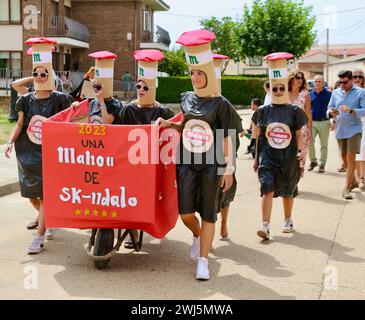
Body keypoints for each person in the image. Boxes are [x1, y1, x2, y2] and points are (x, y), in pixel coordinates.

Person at [157, 30, 239, 280]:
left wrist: (229, 169)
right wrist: (169, 125)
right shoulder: (186, 99)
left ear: (209, 75)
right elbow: (187, 125)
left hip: (212, 164)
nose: (195, 77)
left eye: (199, 73)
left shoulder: (221, 104)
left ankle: (203, 261)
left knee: (209, 213)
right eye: (192, 73)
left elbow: (228, 137)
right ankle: (197, 235)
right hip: (187, 163)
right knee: (186, 214)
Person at [4, 66, 74, 253]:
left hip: (50, 153)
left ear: (51, 76)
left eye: (44, 74)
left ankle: (39, 237)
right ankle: (47, 218)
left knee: (45, 194)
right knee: (30, 193)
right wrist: (10, 141)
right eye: (37, 74)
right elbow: (19, 124)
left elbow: (71, 121)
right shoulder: (25, 99)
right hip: (27, 150)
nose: (39, 77)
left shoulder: (60, 98)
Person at [120, 50, 174, 249]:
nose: (140, 89)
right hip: (131, 165)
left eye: (145, 87)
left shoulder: (163, 111)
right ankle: (131, 231)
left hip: (155, 165)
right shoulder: (128, 109)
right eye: (138, 86)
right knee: (130, 196)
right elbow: (117, 135)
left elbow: (173, 137)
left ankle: (150, 225)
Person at [252, 52, 308, 241]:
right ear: (270, 90)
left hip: (289, 156)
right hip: (268, 156)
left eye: (280, 88)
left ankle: (287, 219)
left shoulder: (294, 111)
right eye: (274, 89)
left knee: (288, 189)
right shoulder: (263, 112)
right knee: (267, 187)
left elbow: (299, 134)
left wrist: (300, 152)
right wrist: (255, 158)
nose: (277, 92)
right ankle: (265, 226)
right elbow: (259, 136)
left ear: (285, 88)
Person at [327, 70, 365, 200]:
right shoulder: (336, 92)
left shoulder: (361, 92)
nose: (342, 84)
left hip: (355, 129)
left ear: (351, 80)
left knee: (350, 158)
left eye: (345, 82)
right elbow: (330, 107)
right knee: (344, 159)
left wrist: (352, 110)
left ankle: (346, 188)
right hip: (340, 129)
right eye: (340, 82)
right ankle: (353, 181)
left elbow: (364, 109)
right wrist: (331, 113)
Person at [288, 70, 312, 177]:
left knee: (300, 155)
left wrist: (310, 131)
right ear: (291, 79)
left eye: (302, 78)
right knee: (288, 156)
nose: (300, 80)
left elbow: (308, 114)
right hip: (287, 129)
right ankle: (288, 180)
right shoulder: (284, 92)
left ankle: (295, 181)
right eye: (297, 78)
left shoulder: (305, 94)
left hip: (302, 130)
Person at [308, 75, 332, 173]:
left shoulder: (329, 94)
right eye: (316, 81)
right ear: (313, 82)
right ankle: (313, 161)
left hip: (324, 122)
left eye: (319, 81)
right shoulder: (309, 94)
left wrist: (333, 121)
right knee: (309, 142)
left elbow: (333, 107)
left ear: (323, 83)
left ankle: (322, 164)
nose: (317, 83)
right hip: (312, 122)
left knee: (324, 145)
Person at [353, 69, 365, 191]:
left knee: (362, 150)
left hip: (363, 122)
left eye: (359, 77)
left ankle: (361, 178)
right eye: (355, 76)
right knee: (352, 152)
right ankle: (356, 178)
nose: (357, 79)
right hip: (350, 124)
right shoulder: (347, 91)